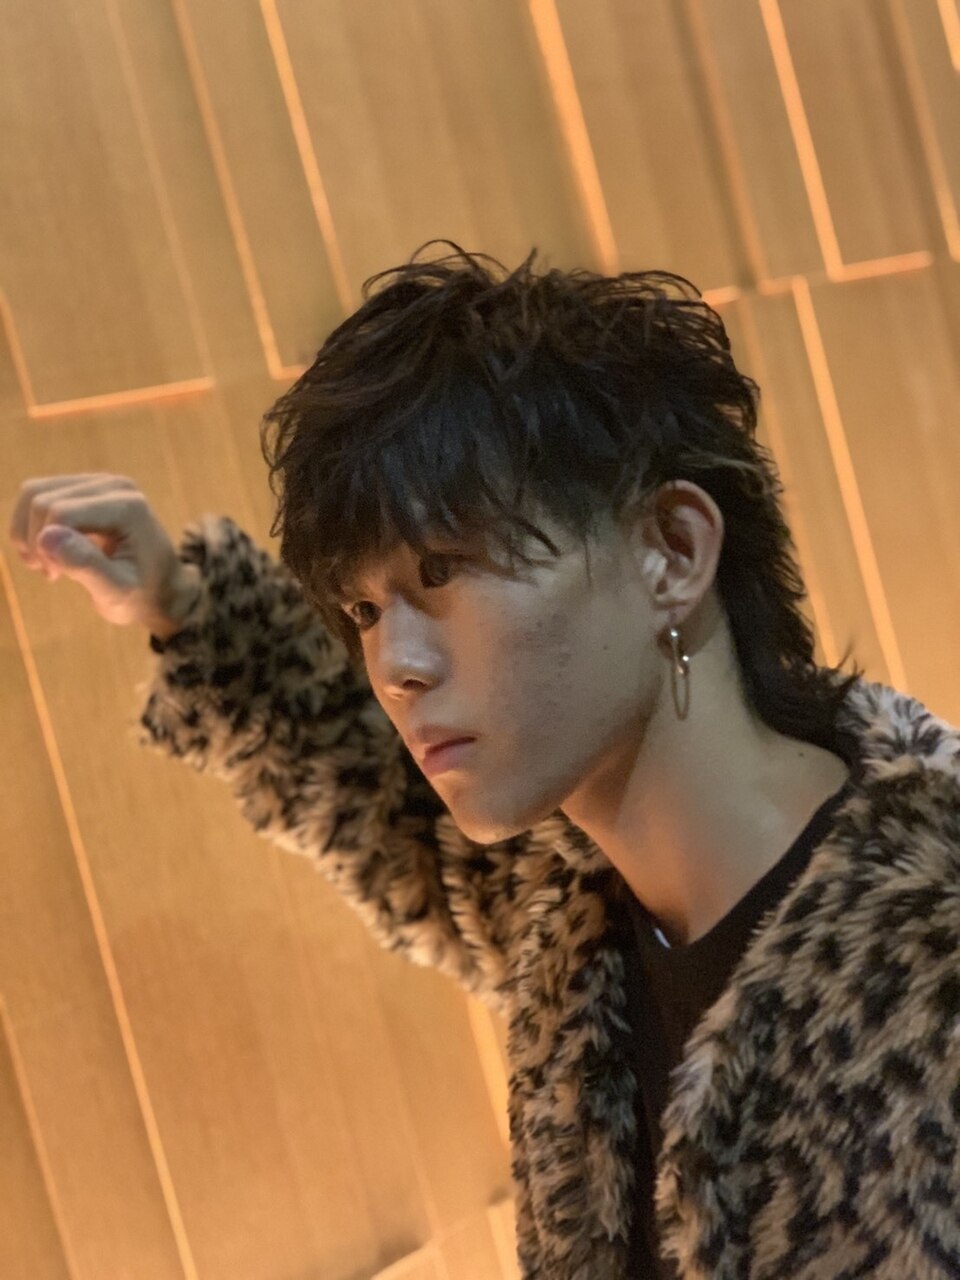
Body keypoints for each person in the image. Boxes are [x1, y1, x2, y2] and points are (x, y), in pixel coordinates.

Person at [10, 242, 960, 1279]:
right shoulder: (574, 925)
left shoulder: (932, 947)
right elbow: (389, 813)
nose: (394, 665)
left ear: (672, 552)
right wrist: (182, 606)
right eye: (364, 609)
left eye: (443, 571)